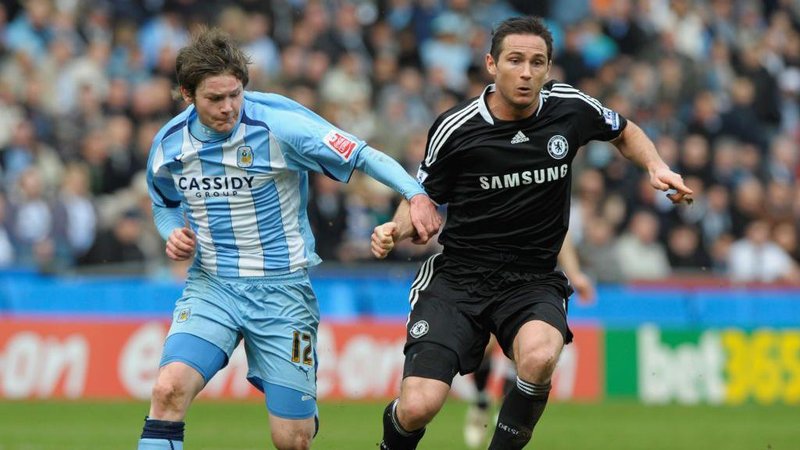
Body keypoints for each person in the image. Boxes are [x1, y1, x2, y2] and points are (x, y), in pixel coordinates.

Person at [370, 16, 691, 450]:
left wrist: (656, 165)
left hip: (532, 279)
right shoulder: (457, 129)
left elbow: (624, 130)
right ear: (491, 64)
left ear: (548, 68)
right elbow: (419, 197)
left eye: (537, 63)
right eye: (515, 60)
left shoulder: (569, 107)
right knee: (418, 406)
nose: (526, 72)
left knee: (539, 356)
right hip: (459, 279)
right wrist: (396, 228)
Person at [138, 28, 440, 450]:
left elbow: (362, 154)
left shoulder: (279, 126)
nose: (228, 107)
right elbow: (164, 204)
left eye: (235, 94)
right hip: (212, 286)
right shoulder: (169, 145)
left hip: (283, 293)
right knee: (168, 390)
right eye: (215, 98)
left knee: (292, 440)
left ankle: (299, 411)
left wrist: (416, 195)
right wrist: (172, 233)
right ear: (187, 95)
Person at [463, 233, 596, 449]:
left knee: (525, 350)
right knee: (485, 346)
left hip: (530, 282)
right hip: (489, 273)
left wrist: (575, 274)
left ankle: (504, 413)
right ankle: (481, 400)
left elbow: (561, 231)